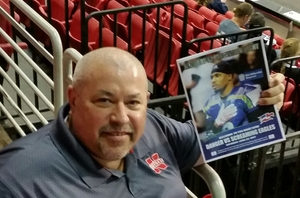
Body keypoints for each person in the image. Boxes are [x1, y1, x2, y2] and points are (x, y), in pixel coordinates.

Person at [0, 47, 285, 197]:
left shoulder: (154, 127)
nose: (121, 118)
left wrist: (266, 101)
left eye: (133, 102)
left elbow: (208, 141)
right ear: (73, 99)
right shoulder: (16, 181)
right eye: (104, 101)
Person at [203, 61, 257, 137]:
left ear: (229, 76)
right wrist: (216, 124)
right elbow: (206, 134)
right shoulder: (209, 104)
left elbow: (258, 121)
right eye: (212, 77)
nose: (213, 80)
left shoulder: (246, 93)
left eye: (217, 75)